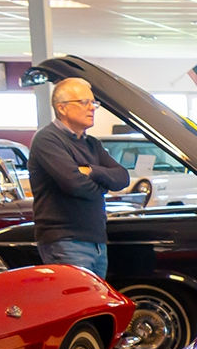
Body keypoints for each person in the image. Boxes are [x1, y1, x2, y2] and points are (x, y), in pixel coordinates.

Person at [28, 77, 129, 278]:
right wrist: (103, 186)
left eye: (94, 103)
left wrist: (92, 171)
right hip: (65, 241)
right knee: (77, 305)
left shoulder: (92, 144)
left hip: (97, 241)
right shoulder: (47, 139)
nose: (92, 108)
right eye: (84, 102)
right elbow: (75, 184)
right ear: (62, 108)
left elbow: (123, 177)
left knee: (95, 307)